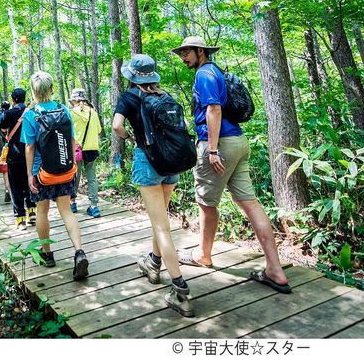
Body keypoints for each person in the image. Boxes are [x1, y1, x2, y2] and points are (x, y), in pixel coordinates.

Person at [172, 36, 291, 293]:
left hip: (219, 144)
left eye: (186, 52)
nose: (183, 57)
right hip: (238, 141)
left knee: (206, 204)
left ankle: (203, 255)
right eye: (181, 53)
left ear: (200, 51)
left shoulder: (204, 74)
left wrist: (212, 150)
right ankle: (275, 269)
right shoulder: (218, 71)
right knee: (250, 203)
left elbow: (213, 109)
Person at [113, 54, 194, 317]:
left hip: (148, 161)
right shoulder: (165, 96)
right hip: (171, 162)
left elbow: (116, 126)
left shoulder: (129, 97)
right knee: (161, 222)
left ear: (132, 75)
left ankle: (181, 291)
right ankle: (154, 263)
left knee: (161, 226)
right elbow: (182, 126)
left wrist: (132, 138)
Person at [21, 71, 88, 281]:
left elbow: (30, 148)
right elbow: (71, 141)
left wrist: (30, 174)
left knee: (42, 211)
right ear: (51, 89)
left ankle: (47, 255)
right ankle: (79, 252)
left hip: (43, 173)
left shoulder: (31, 115)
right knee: (66, 211)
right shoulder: (64, 110)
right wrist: (70, 166)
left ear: (33, 91)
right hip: (65, 170)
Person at [0, 88, 36, 229]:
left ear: (13, 99)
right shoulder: (31, 112)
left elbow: (2, 129)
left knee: (15, 187)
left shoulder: (8, 113)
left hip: (14, 155)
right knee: (30, 183)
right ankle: (32, 212)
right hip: (31, 154)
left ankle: (20, 219)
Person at [69, 88, 102, 218]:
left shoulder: (72, 113)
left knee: (74, 176)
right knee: (92, 177)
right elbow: (98, 130)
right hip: (92, 149)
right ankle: (94, 206)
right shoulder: (93, 112)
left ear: (75, 100)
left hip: (76, 150)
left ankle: (72, 203)